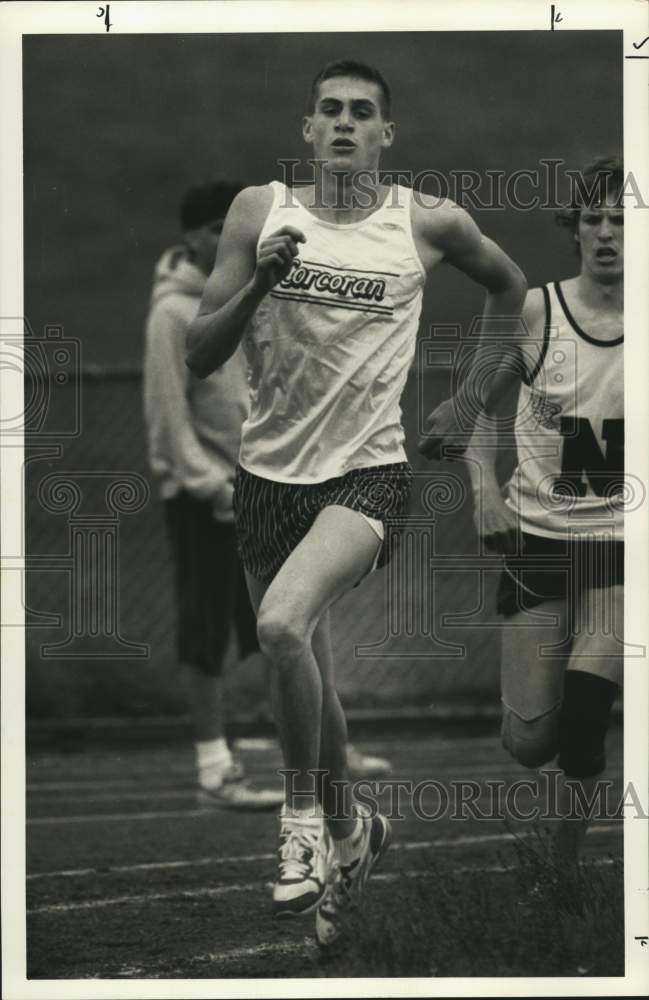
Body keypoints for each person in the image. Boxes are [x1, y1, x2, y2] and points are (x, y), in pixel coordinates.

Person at [185, 60, 527, 943]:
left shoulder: (427, 221)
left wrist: (467, 399)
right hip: (267, 479)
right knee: (311, 679)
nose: (344, 124)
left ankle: (299, 828)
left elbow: (510, 290)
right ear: (307, 131)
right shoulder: (261, 213)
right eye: (329, 111)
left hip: (368, 476)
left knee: (279, 629)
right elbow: (198, 354)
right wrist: (259, 282)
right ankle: (353, 827)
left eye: (361, 113)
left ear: (385, 136)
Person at [461, 156, 624, 873]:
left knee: (585, 720)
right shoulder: (538, 312)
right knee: (529, 742)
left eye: (623, 220)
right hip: (540, 538)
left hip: (623, 543)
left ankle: (562, 878)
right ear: (574, 228)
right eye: (594, 219)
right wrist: (483, 491)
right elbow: (474, 412)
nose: (607, 234)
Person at [143, 181, 284, 810]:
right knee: (204, 630)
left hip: (255, 489)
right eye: (220, 229)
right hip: (203, 499)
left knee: (276, 627)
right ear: (195, 236)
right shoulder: (172, 313)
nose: (235, 240)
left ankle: (310, 743)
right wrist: (211, 485)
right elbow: (168, 424)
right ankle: (212, 769)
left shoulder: (246, 294)